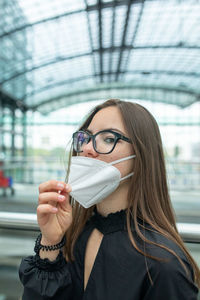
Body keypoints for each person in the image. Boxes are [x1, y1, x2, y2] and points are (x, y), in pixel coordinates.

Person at [19, 99, 200, 300]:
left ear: (141, 155)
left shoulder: (163, 265)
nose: (87, 147)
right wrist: (51, 242)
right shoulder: (77, 234)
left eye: (108, 139)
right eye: (85, 137)